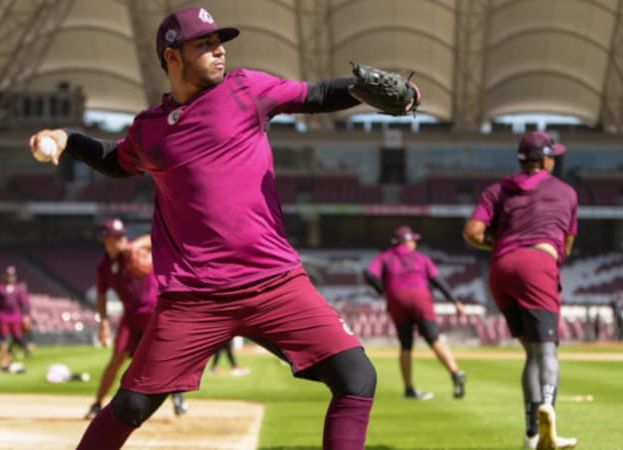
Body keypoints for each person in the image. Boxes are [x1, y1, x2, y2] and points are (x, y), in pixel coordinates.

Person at [29, 7, 417, 449]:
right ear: (172, 57)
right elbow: (114, 160)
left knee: (357, 376)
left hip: (274, 282)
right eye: (205, 45)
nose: (220, 51)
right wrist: (66, 137)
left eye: (220, 42)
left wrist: (364, 91)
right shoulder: (150, 131)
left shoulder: (247, 88)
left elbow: (316, 94)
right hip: (195, 296)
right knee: (132, 406)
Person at [463, 130, 578, 450]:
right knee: (548, 351)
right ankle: (549, 410)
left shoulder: (497, 190)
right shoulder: (567, 192)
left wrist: (500, 243)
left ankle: (530, 435)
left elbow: (472, 232)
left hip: (500, 268)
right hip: (537, 264)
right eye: (553, 156)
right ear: (545, 159)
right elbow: (566, 246)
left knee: (530, 352)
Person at [84, 218, 187, 420]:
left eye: (122, 236)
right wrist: (104, 323)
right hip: (131, 317)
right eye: (116, 237)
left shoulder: (133, 252)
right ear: (105, 240)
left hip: (154, 313)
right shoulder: (104, 267)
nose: (121, 240)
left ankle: (178, 396)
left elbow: (155, 239)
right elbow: (102, 295)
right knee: (116, 359)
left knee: (163, 358)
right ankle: (97, 403)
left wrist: (136, 245)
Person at [363, 226, 467, 400]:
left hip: (397, 299)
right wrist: (455, 302)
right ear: (407, 241)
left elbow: (369, 274)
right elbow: (437, 280)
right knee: (434, 339)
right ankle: (455, 372)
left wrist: (383, 290)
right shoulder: (420, 257)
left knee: (405, 345)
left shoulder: (385, 257)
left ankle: (409, 388)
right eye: (413, 240)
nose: (414, 243)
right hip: (420, 297)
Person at [0, 266, 31, 369]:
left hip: (16, 316)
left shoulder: (19, 288)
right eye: (9, 275)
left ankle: (9, 352)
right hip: (4, 316)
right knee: (4, 337)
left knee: (17, 336)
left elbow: (24, 302)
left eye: (12, 276)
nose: (10, 278)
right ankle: (4, 357)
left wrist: (26, 315)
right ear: (5, 276)